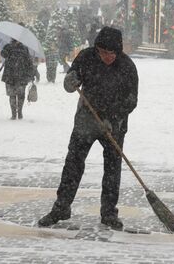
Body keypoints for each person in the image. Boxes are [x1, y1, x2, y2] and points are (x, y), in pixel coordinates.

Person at [38, 26, 139, 230]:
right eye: (102, 52)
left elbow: (131, 100)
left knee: (112, 168)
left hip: (114, 124)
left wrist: (114, 118)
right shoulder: (86, 57)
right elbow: (71, 81)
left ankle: (109, 212)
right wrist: (70, 81)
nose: (106, 57)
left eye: (111, 53)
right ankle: (62, 207)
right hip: (87, 119)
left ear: (118, 51)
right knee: (73, 163)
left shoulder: (127, 66)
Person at [1, 39, 35, 120]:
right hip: (12, 75)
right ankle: (14, 113)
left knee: (20, 95)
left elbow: (28, 62)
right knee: (13, 95)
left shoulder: (24, 48)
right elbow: (3, 54)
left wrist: (31, 73)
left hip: (19, 75)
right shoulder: (9, 46)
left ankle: (19, 112)